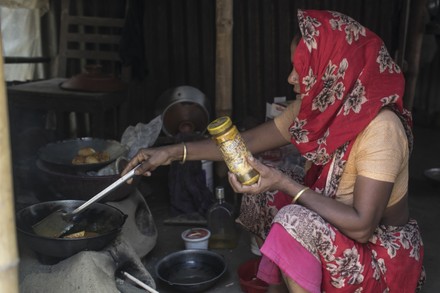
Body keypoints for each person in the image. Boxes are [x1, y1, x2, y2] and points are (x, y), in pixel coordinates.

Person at [122, 9, 425, 292]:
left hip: (380, 253)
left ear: (334, 72)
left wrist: (283, 183)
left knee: (292, 217)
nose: (291, 78)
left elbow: (362, 227)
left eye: (302, 68)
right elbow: (248, 143)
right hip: (340, 229)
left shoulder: (382, 129)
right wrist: (172, 153)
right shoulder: (324, 106)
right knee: (261, 194)